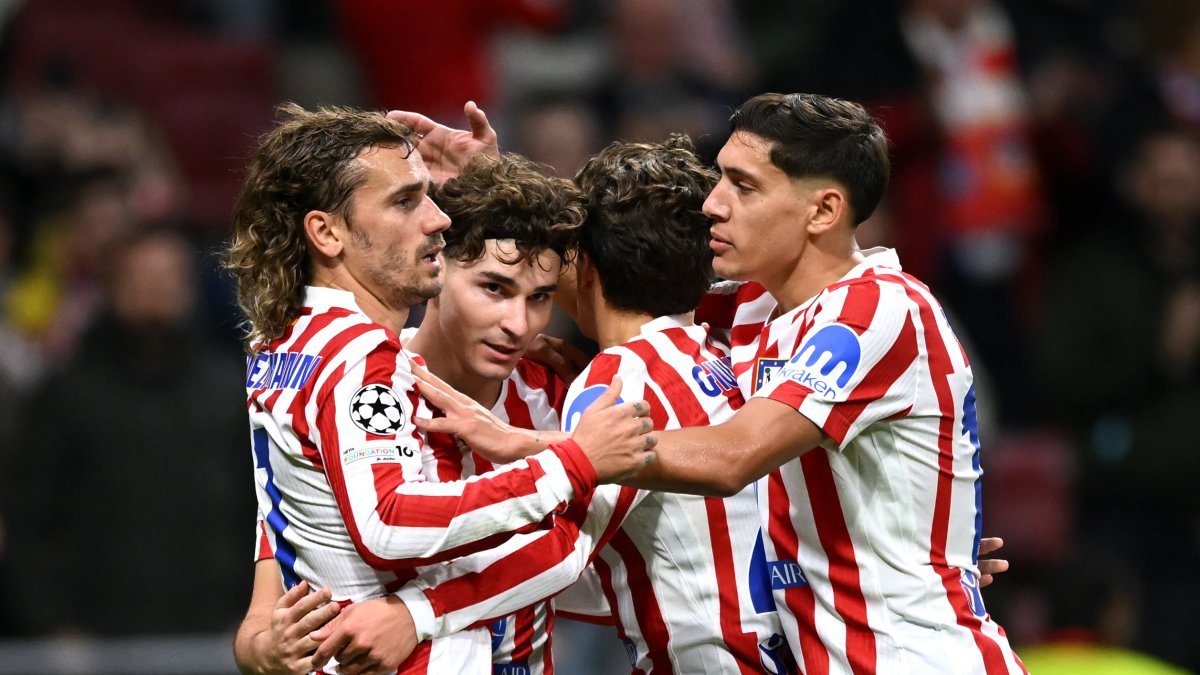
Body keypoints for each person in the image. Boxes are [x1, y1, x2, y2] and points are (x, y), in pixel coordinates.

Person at [421, 93, 1024, 673]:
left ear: (823, 211)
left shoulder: (877, 311)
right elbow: (641, 256)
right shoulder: (760, 312)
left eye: (744, 185)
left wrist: (524, 445)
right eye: (720, 179)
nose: (713, 203)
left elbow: (732, 455)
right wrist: (494, 189)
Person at [224, 103, 655, 674]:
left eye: (540, 298)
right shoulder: (362, 355)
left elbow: (288, 516)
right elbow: (386, 524)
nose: (436, 220)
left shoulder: (285, 339)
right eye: (405, 201)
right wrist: (568, 463)